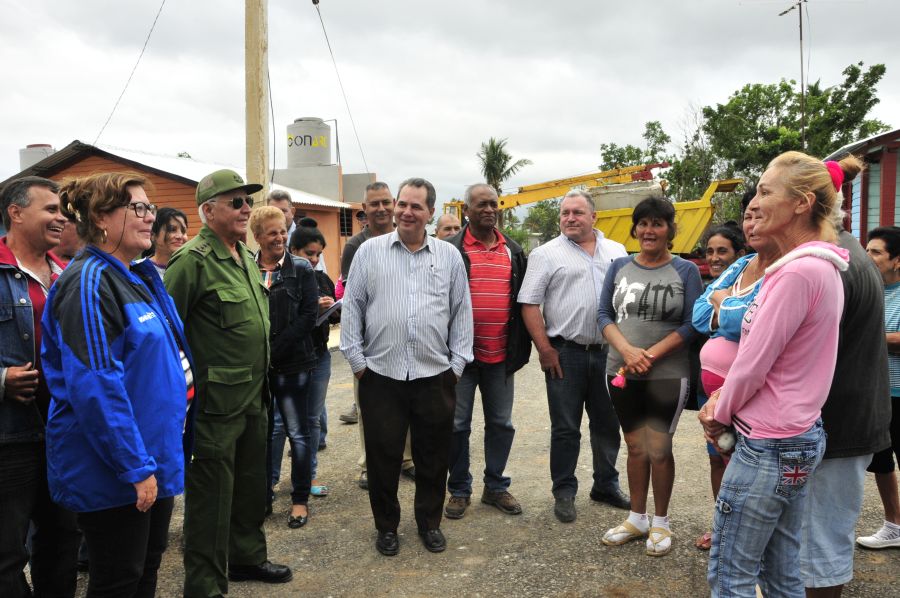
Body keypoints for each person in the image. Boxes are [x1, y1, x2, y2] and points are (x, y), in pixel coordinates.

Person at [700, 151, 853, 597]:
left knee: (731, 576)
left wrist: (718, 411)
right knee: (783, 570)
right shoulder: (820, 267)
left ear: (802, 203)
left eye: (766, 191)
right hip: (797, 435)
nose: (757, 201)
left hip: (768, 443)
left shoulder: (796, 274)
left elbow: (753, 363)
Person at [41, 172, 192, 597]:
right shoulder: (88, 282)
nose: (150, 217)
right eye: (138, 208)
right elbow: (97, 387)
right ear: (101, 217)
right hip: (118, 469)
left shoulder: (133, 275)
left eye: (150, 208)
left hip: (151, 456)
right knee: (117, 579)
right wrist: (135, 467)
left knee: (145, 568)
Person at [164, 169, 292, 595]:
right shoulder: (192, 262)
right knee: (211, 500)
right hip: (215, 406)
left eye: (247, 202)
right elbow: (167, 336)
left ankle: (246, 557)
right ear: (208, 210)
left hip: (255, 397)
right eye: (235, 202)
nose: (245, 209)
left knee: (251, 487)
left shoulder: (244, 258)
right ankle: (204, 585)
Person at [340, 177, 473, 556]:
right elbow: (353, 308)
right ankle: (386, 527)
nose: (406, 212)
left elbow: (462, 311)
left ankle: (429, 523)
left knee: (433, 457)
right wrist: (358, 364)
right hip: (381, 375)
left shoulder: (448, 257)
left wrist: (457, 366)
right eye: (403, 204)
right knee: (383, 459)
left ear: (430, 213)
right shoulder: (370, 252)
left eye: (417, 206)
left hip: (435, 375)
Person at [597, 197, 703, 557]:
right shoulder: (619, 267)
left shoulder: (685, 270)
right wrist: (627, 352)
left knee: (659, 449)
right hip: (621, 370)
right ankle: (636, 517)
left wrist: (651, 354)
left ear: (670, 229)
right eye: (643, 223)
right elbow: (603, 315)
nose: (649, 230)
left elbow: (693, 324)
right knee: (635, 446)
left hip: (667, 374)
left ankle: (660, 522)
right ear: (635, 228)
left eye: (657, 223)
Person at [518, 189, 630, 524]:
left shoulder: (617, 251)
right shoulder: (546, 254)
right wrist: (545, 349)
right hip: (566, 353)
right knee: (566, 427)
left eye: (577, 212)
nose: (570, 218)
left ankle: (606, 485)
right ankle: (564, 491)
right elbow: (529, 304)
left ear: (593, 217)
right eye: (565, 213)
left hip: (609, 353)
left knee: (608, 424)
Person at [799, 202, 891, 596]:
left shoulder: (834, 263)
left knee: (819, 546)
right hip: (847, 416)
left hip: (836, 422)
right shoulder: (849, 252)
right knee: (820, 538)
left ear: (802, 206)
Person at [0, 176, 79, 598]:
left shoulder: (65, 274)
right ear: (15, 212)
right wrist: (1, 379)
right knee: (7, 555)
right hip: (10, 438)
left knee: (62, 540)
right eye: (50, 209)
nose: (60, 217)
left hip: (61, 434)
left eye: (62, 211)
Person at [444, 184, 531, 519]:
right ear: (466, 210)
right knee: (456, 425)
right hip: (460, 358)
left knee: (501, 423)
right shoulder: (450, 249)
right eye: (481, 205)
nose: (489, 210)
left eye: (493, 204)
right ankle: (459, 490)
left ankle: (495, 486)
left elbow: (524, 301)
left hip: (501, 357)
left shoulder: (513, 250)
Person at [338, 182, 416, 489]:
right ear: (364, 208)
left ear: (395, 204)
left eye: (386, 202)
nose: (381, 209)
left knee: (408, 407)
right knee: (371, 410)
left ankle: (407, 459)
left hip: (407, 342)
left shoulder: (410, 238)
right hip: (371, 347)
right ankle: (370, 464)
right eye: (374, 204)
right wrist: (356, 353)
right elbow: (351, 300)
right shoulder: (356, 246)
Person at [251, 206, 318, 529]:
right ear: (258, 237)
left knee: (298, 434)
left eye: (282, 231)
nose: (278, 237)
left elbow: (307, 317)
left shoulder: (302, 269)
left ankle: (299, 500)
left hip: (294, 365)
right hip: (259, 370)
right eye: (271, 232)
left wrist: (273, 349)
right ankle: (262, 497)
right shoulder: (245, 269)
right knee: (262, 435)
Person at [287, 217, 340, 497]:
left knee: (312, 420)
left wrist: (331, 308)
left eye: (318, 254)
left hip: (320, 355)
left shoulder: (321, 278)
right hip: (292, 359)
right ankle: (271, 481)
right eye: (309, 253)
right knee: (281, 425)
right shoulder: (283, 278)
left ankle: (307, 480)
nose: (314, 259)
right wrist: (308, 309)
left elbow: (336, 317)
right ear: (293, 249)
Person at [855, 225, 900, 551]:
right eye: (867, 250)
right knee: (881, 463)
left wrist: (871, 338)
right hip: (874, 391)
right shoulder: (867, 289)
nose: (868, 257)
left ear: (897, 260)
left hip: (899, 391)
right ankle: (893, 525)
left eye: (876, 252)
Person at [141, 206, 188, 277]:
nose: (180, 236)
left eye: (183, 231)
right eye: (172, 230)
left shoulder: (192, 268)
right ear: (153, 235)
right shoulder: (138, 270)